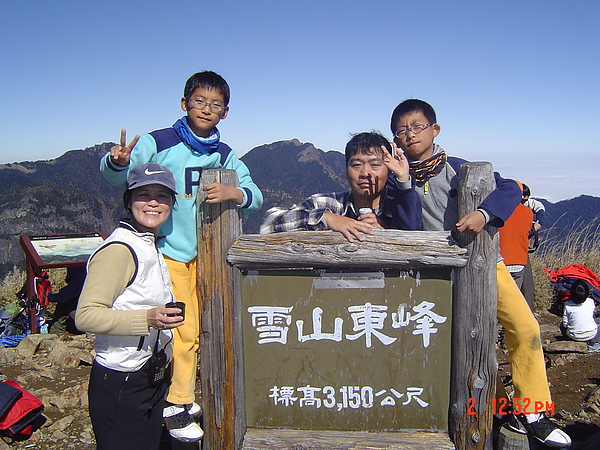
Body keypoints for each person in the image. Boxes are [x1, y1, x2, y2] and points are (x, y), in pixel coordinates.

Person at [388, 99, 571, 448]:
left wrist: (484, 215)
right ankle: (493, 406)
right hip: (438, 275)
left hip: (486, 266)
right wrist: (403, 183)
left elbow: (510, 189)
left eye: (416, 126)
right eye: (401, 130)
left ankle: (534, 412)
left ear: (434, 130)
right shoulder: (400, 179)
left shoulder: (459, 168)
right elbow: (410, 227)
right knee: (469, 344)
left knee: (526, 326)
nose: (409, 135)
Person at [100, 71, 263, 442]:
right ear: (184, 103)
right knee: (186, 330)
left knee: (209, 327)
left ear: (226, 112)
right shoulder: (159, 142)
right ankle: (177, 402)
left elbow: (256, 194)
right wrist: (117, 162)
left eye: (216, 104)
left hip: (209, 258)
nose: (207, 109)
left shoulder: (225, 155)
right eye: (200, 101)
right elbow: (121, 179)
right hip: (170, 253)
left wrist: (236, 194)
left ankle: (179, 395)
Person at [75, 163, 184, 450]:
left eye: (162, 195)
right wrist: (147, 319)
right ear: (128, 201)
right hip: (122, 380)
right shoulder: (119, 250)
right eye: (143, 194)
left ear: (172, 203)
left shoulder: (149, 242)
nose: (153, 202)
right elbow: (85, 316)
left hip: (149, 372)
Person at [259, 132, 420, 240]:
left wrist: (390, 233)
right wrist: (326, 218)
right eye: (356, 165)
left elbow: (416, 237)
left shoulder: (399, 210)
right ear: (346, 168)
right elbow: (268, 224)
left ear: (389, 169)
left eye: (375, 165)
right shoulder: (328, 204)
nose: (365, 172)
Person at [498, 182, 534, 297]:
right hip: (518, 262)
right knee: (513, 298)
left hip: (499, 262)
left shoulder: (496, 211)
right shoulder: (528, 212)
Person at [560, 280, 600, 348]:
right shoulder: (590, 302)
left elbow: (565, 324)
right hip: (591, 334)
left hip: (573, 336)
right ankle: (593, 344)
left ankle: (569, 340)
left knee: (561, 325)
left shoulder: (567, 305)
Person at [48, 266, 85, 334]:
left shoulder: (81, 276)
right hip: (92, 310)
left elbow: (64, 296)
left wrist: (48, 297)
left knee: (64, 304)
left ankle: (56, 331)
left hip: (87, 315)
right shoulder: (88, 273)